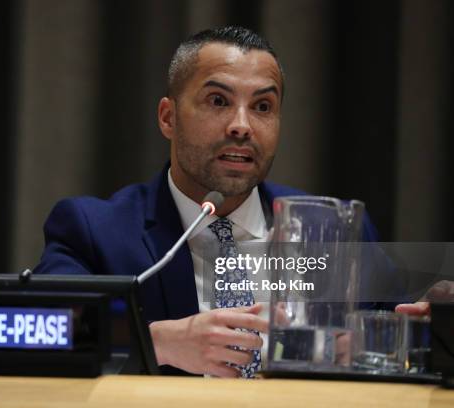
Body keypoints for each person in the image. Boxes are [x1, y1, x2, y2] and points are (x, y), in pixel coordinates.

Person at [33, 26, 422, 377]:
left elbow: (406, 336)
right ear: (168, 118)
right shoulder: (94, 230)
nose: (242, 125)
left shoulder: (331, 229)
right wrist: (157, 343)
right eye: (218, 101)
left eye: (263, 107)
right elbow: (43, 333)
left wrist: (426, 325)